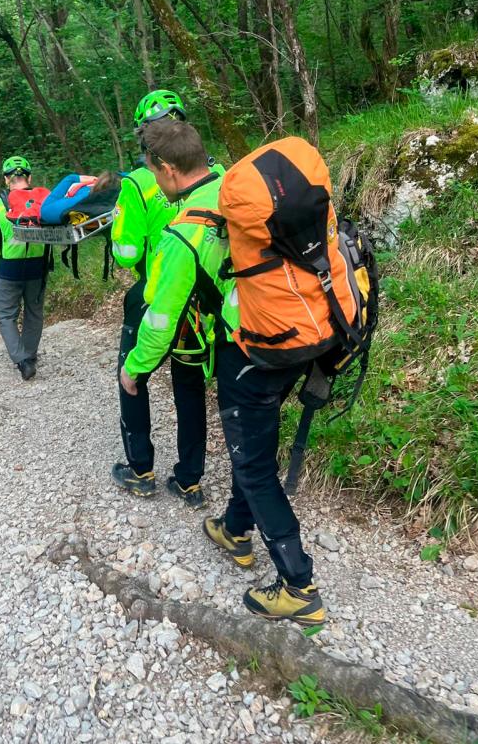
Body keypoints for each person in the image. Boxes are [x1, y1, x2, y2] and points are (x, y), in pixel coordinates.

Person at [120, 120, 326, 626]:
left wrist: (133, 370)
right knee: (253, 445)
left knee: (253, 468)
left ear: (167, 170)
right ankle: (235, 531)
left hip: (251, 351)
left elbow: (161, 320)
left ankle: (299, 586)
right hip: (304, 329)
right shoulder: (233, 187)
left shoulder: (181, 234)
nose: (153, 179)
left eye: (153, 171)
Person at [110, 90, 209, 506]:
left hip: (153, 294)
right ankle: (189, 480)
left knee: (132, 379)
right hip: (200, 302)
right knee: (190, 388)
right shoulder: (215, 174)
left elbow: (127, 253)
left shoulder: (137, 182)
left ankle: (140, 470)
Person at [0, 155, 48, 381]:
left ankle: (22, 360)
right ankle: (29, 355)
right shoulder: (43, 201)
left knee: (5, 315)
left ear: (6, 179)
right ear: (29, 177)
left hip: (9, 269)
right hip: (37, 266)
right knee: (34, 312)